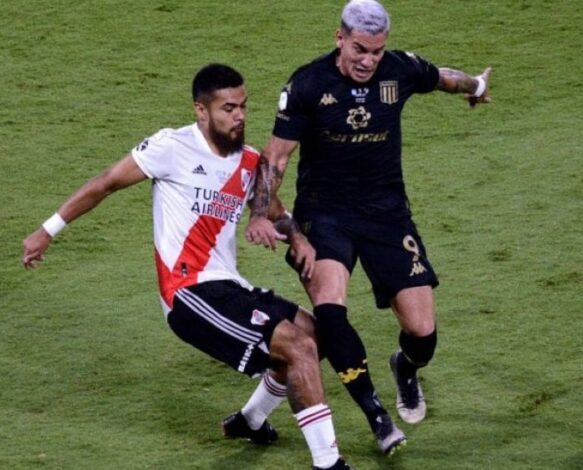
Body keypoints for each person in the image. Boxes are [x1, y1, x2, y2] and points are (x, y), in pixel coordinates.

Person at [21, 64, 350, 470]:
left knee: (315, 337)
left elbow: (274, 212)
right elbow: (106, 182)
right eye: (228, 108)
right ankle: (328, 463)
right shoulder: (171, 147)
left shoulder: (249, 162)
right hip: (188, 291)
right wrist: (47, 231)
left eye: (243, 106)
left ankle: (250, 420)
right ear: (201, 110)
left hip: (229, 286)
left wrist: (296, 237)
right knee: (298, 348)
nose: (240, 116)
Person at [243, 0, 492, 456]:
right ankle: (376, 415)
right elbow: (275, 158)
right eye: (359, 49)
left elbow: (442, 78)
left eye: (376, 52)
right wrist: (260, 213)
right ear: (340, 38)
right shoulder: (308, 84)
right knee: (331, 310)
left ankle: (406, 367)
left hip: (387, 214)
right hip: (324, 215)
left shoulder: (399, 70)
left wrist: (475, 85)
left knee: (423, 332)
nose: (368, 61)